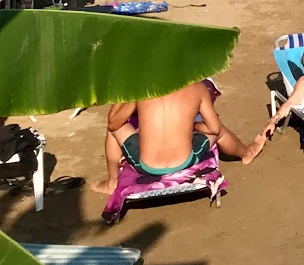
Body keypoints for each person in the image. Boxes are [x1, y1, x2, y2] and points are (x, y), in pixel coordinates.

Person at [90, 81, 265, 196]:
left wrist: (123, 94)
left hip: (146, 165)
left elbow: (114, 124)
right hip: (185, 160)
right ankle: (247, 153)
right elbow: (214, 128)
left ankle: (112, 183)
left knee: (114, 130)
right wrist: (192, 126)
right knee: (219, 131)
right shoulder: (197, 89)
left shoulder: (144, 89)